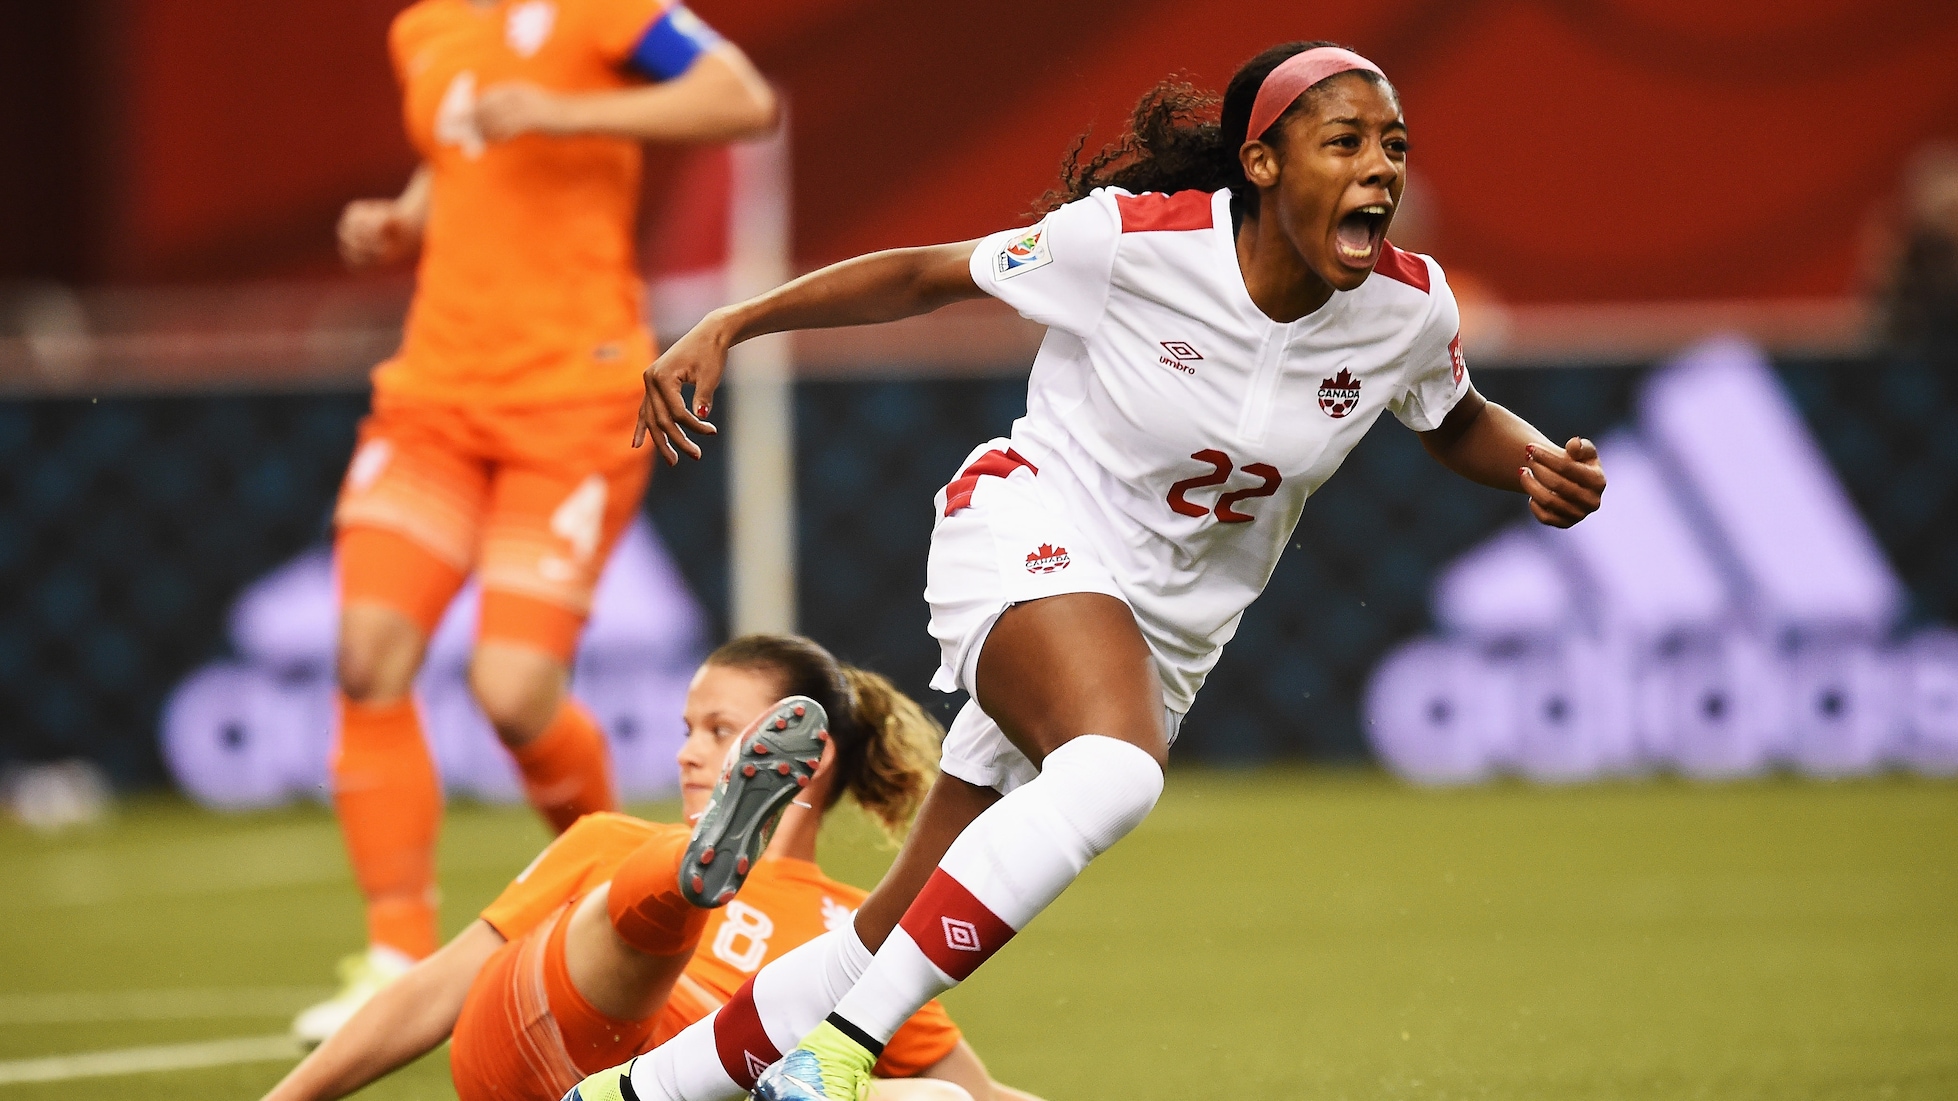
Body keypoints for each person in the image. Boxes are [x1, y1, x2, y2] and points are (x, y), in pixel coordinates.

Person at [569, 40, 1608, 1101]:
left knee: (884, 926)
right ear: (1260, 162)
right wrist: (734, 321)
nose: (1379, 168)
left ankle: (630, 1096)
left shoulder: (1406, 306)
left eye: (1392, 146)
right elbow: (925, 276)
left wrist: (1531, 462)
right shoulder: (1129, 244)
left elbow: (1452, 417)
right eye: (1342, 141)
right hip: (1024, 527)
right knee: (1115, 771)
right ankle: (835, 1058)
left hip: (1162, 635)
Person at [298, 0, 779, 1041]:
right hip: (433, 393)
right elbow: (468, 151)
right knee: (364, 653)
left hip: (571, 393)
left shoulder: (605, 10)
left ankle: (635, 905)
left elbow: (742, 97)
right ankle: (390, 954)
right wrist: (409, 213)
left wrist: (558, 109)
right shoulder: (422, 28)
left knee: (512, 695)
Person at [263, 635, 1044, 1101]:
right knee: (635, 889)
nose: (685, 750)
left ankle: (695, 884)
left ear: (809, 759)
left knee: (938, 1099)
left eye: (718, 729)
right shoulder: (608, 838)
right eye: (687, 729)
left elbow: (980, 1092)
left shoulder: (859, 923)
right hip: (536, 1052)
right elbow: (439, 988)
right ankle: (690, 874)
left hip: (691, 1086)